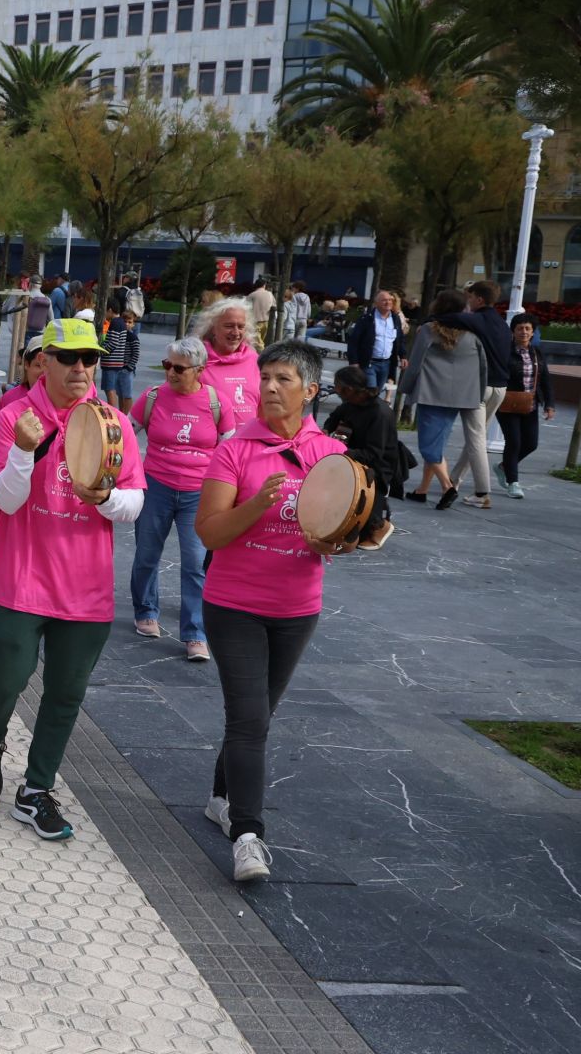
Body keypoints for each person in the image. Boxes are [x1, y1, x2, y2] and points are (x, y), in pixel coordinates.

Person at [0, 318, 144, 841]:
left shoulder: (114, 422)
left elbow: (134, 501)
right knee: (8, 677)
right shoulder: (15, 416)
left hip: (85, 586)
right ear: (43, 361)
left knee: (66, 691)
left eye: (89, 358)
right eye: (69, 358)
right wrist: (24, 450)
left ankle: (36, 789)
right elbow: (4, 499)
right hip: (21, 577)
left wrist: (107, 499)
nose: (81, 368)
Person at [195, 341, 352, 883]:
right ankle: (247, 835)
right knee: (250, 720)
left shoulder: (330, 455)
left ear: (310, 391)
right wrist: (257, 504)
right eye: (264, 378)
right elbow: (209, 531)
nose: (267, 387)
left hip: (296, 608)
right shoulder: (233, 449)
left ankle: (221, 796)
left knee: (257, 713)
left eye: (282, 379)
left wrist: (342, 540)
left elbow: (336, 530)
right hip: (233, 604)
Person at [129, 336, 234, 659]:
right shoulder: (153, 396)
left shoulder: (217, 403)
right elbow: (125, 433)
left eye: (178, 368)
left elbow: (232, 450)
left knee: (194, 564)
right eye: (166, 365)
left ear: (199, 370)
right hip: (156, 486)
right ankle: (146, 612)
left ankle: (195, 633)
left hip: (198, 495)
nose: (170, 373)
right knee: (147, 554)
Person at [402, 289, 489, 508]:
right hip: (461, 397)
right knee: (437, 444)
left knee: (428, 447)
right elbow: (482, 367)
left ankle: (447, 487)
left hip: (431, 393)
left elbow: (415, 362)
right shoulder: (473, 334)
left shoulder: (428, 330)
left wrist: (406, 388)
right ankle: (422, 490)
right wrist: (476, 395)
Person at [438, 281, 513, 504]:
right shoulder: (502, 324)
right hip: (500, 388)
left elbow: (445, 318)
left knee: (476, 440)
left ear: (479, 299)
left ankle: (482, 493)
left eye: (470, 298)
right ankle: (454, 480)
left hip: (481, 389)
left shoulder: (478, 320)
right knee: (475, 439)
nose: (468, 303)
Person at [322, 366, 398, 549]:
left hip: (377, 464)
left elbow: (375, 453)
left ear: (348, 389)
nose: (336, 390)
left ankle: (380, 526)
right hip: (355, 456)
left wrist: (342, 452)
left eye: (338, 387)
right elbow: (334, 418)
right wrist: (325, 432)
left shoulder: (379, 413)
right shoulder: (350, 404)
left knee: (364, 507)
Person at [497, 313, 556, 499]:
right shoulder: (504, 351)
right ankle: (513, 482)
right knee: (514, 441)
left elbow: (545, 379)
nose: (524, 332)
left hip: (530, 403)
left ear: (533, 332)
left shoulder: (537, 352)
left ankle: (504, 466)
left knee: (531, 444)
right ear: (513, 331)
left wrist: (549, 404)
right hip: (507, 402)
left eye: (527, 329)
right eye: (520, 328)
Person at [190, 295, 262, 425]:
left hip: (249, 441)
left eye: (241, 327)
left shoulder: (254, 360)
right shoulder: (196, 360)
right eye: (229, 326)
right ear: (212, 328)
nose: (235, 333)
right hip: (211, 442)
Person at [345, 289, 407, 393]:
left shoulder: (395, 319)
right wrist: (354, 361)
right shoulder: (367, 318)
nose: (388, 302)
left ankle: (364, 408)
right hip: (369, 363)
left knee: (375, 393)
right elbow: (354, 341)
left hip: (386, 364)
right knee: (371, 391)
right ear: (376, 303)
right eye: (384, 300)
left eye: (389, 300)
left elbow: (399, 339)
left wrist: (403, 356)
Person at [98, 307, 140, 413]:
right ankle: (121, 412)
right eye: (125, 321)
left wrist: (129, 367)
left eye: (129, 322)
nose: (126, 324)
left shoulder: (133, 338)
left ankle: (126, 416)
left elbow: (136, 354)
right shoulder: (123, 333)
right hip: (120, 366)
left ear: (133, 324)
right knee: (120, 393)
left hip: (126, 369)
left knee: (127, 394)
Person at [246, 280, 275, 345]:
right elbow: (274, 306)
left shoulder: (252, 295)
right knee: (261, 341)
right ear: (264, 285)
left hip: (255, 322)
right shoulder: (270, 294)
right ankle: (261, 353)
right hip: (266, 321)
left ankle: (261, 354)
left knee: (258, 342)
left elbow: (246, 307)